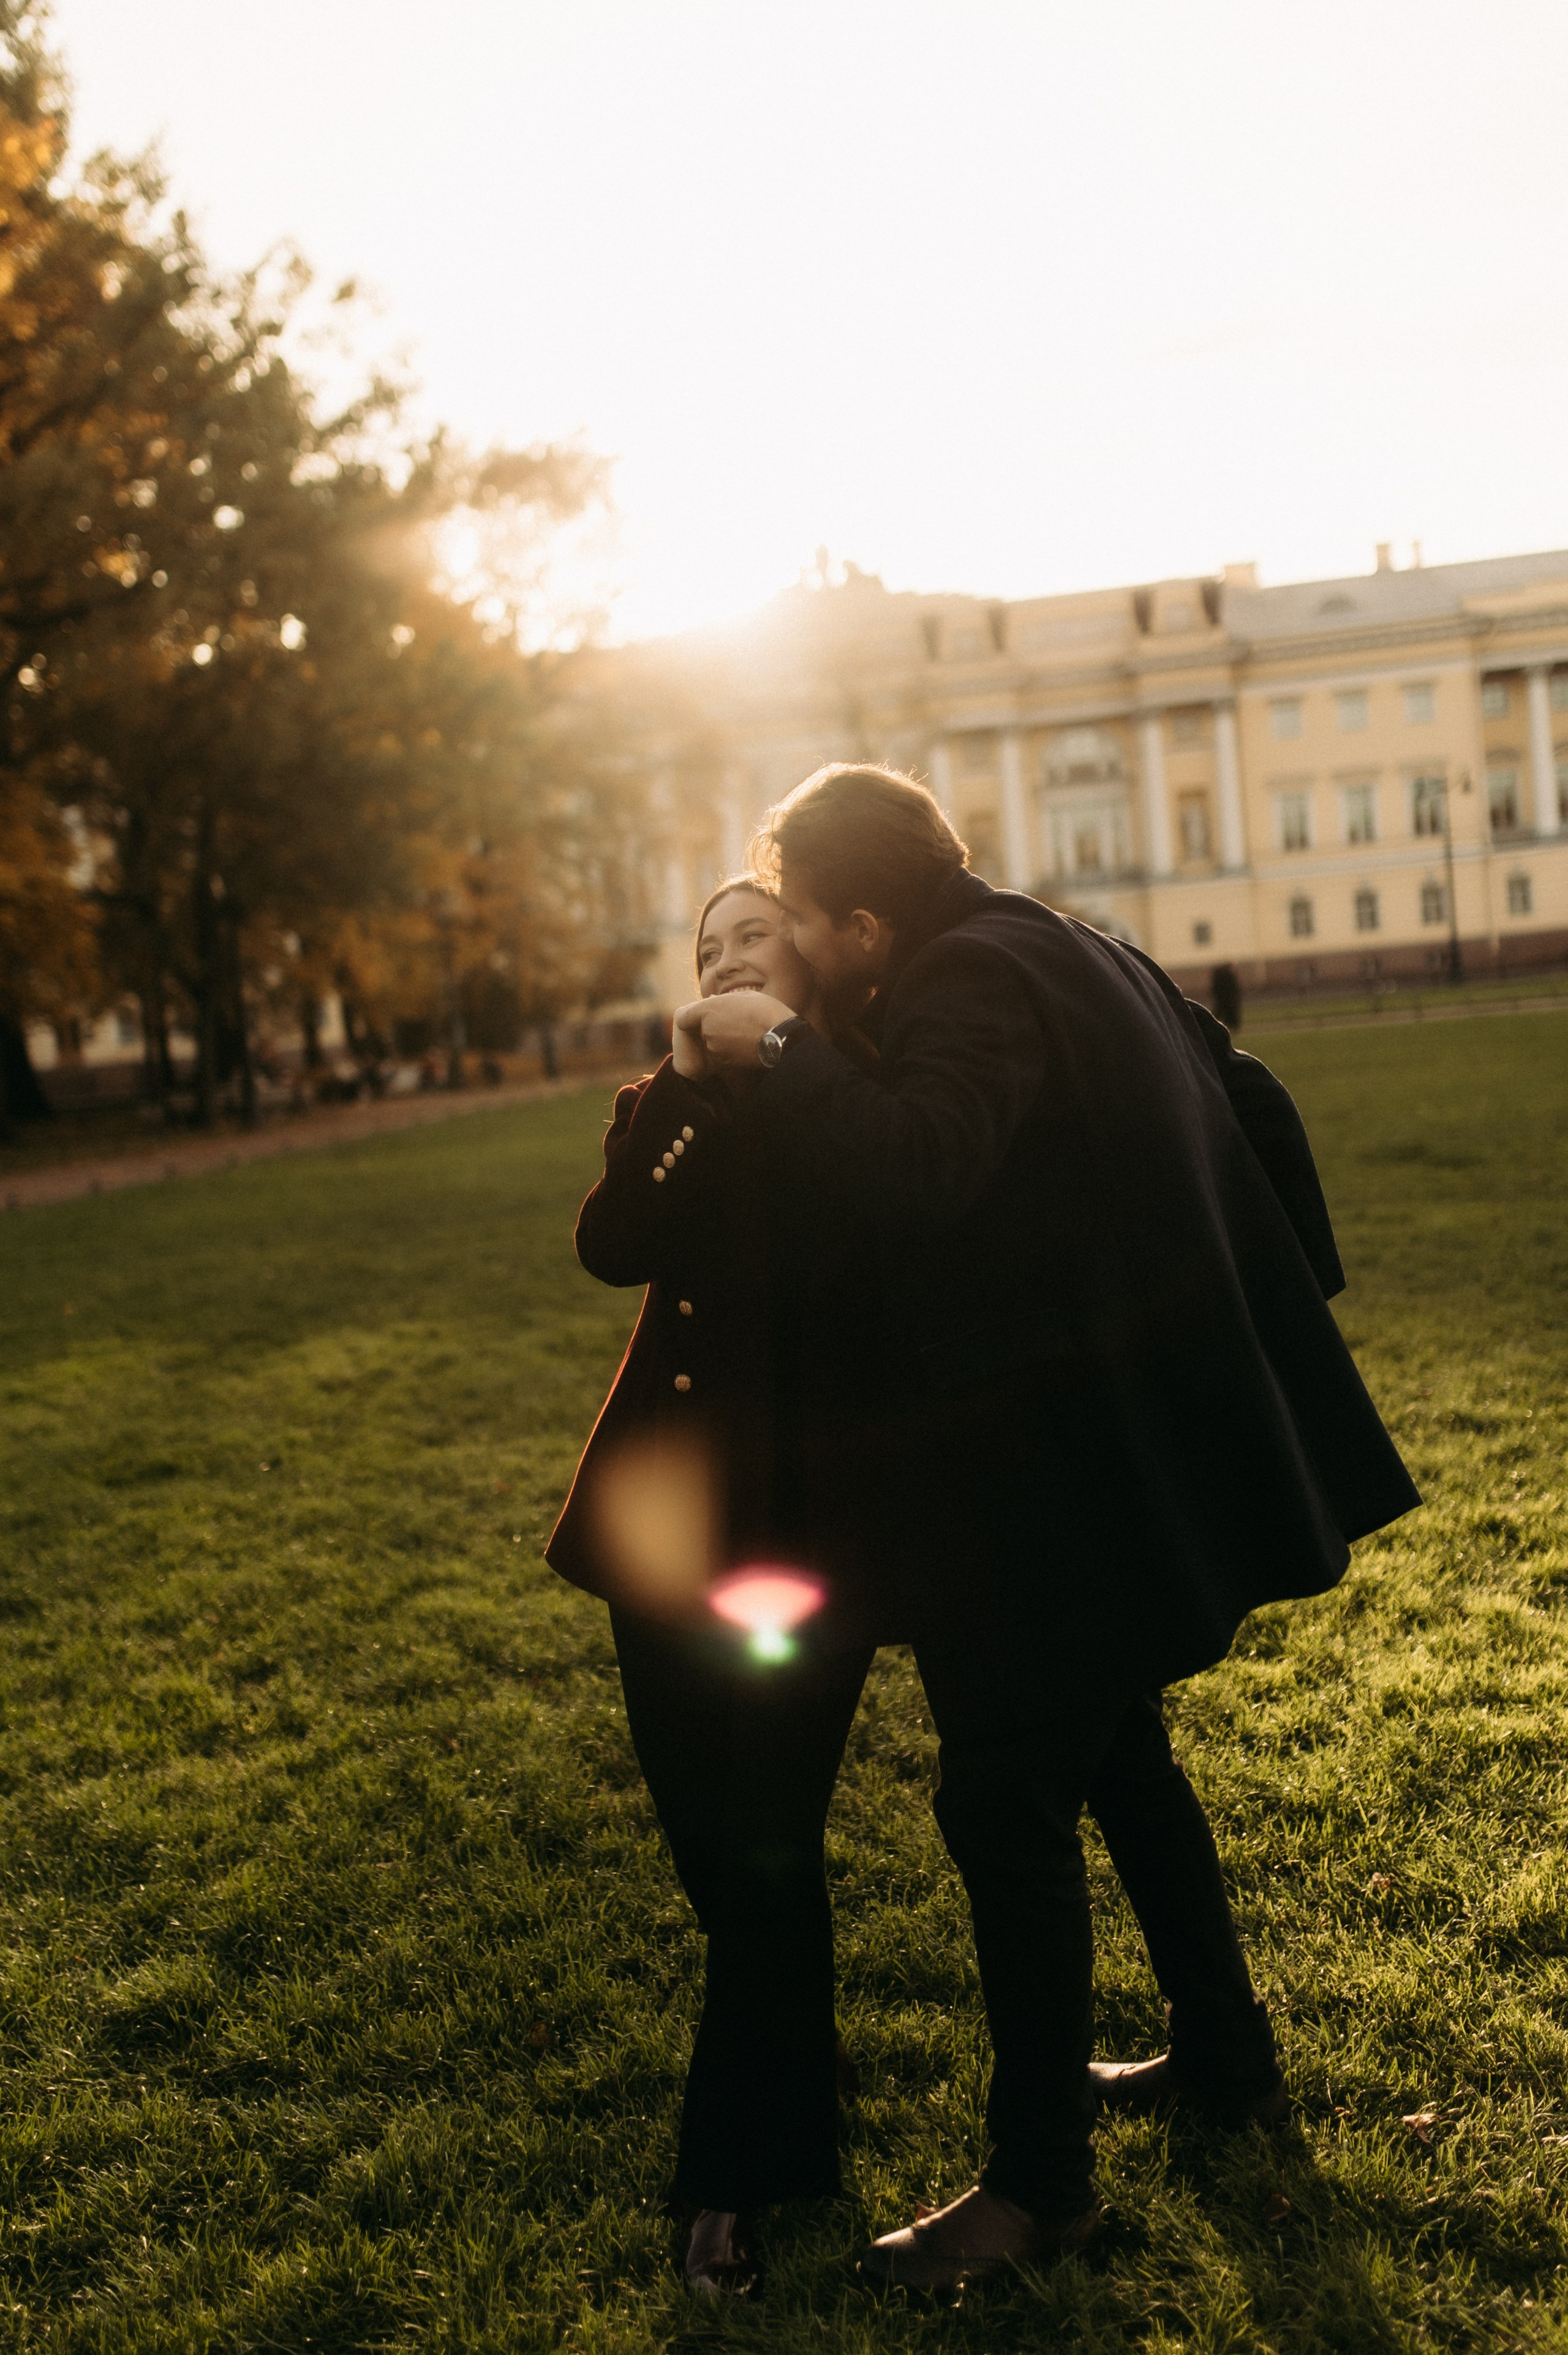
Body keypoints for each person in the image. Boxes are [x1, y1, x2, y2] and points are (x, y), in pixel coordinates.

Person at [676, 764, 1420, 2292]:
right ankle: (1224, 2057)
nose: (797, 955)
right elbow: (1252, 1097)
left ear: (866, 923)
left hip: (1055, 1488)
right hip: (1114, 1451)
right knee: (1125, 1763)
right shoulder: (1067, 940)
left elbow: (918, 1161)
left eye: (806, 928)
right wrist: (1247, 1309)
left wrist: (787, 1049)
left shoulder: (967, 980)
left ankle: (1037, 2193)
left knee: (1001, 1808)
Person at [545, 879, 889, 2295]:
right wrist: (685, 1092)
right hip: (660, 1536)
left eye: (753, 938)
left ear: (810, 962)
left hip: (808, 1547)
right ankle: (796, 2095)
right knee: (721, 1853)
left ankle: (725, 2185)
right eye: (705, 950)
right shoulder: (661, 1107)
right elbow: (608, 1248)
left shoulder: (868, 1101)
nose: (727, 961)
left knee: (764, 1847)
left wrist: (789, 1080)